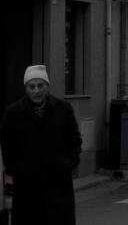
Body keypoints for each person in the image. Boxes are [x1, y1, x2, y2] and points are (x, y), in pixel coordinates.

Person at [0, 64, 82, 225]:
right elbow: (7, 146)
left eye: (40, 85)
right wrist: (17, 170)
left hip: (58, 187)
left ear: (47, 86)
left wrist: (67, 164)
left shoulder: (63, 109)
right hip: (26, 189)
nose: (36, 91)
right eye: (32, 86)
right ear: (26, 88)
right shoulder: (13, 113)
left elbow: (75, 140)